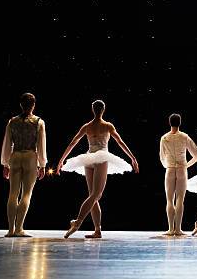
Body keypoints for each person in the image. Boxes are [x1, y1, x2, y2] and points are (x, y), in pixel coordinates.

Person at [58, 100, 139, 239]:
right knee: (96, 194)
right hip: (100, 157)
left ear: (92, 110)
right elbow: (120, 142)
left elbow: (73, 143)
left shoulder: (87, 126)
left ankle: (97, 231)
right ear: (103, 110)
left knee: (93, 196)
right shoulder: (107, 126)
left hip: (88, 159)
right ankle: (77, 222)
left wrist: (61, 160)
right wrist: (133, 158)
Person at [1, 92, 47, 237]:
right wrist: (42, 164)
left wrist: (5, 163)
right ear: (33, 105)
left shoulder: (12, 121)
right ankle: (19, 228)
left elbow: (7, 144)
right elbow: (41, 145)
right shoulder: (39, 121)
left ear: (21, 105)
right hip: (30, 156)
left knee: (13, 193)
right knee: (26, 193)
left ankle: (10, 230)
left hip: (15, 156)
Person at [159, 113, 197, 236]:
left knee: (169, 199)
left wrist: (167, 165)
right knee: (180, 199)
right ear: (180, 123)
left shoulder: (164, 138)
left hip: (170, 169)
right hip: (182, 169)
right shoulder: (184, 137)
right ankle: (177, 229)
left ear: (169, 122)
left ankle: (170, 229)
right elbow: (196, 153)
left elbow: (162, 157)